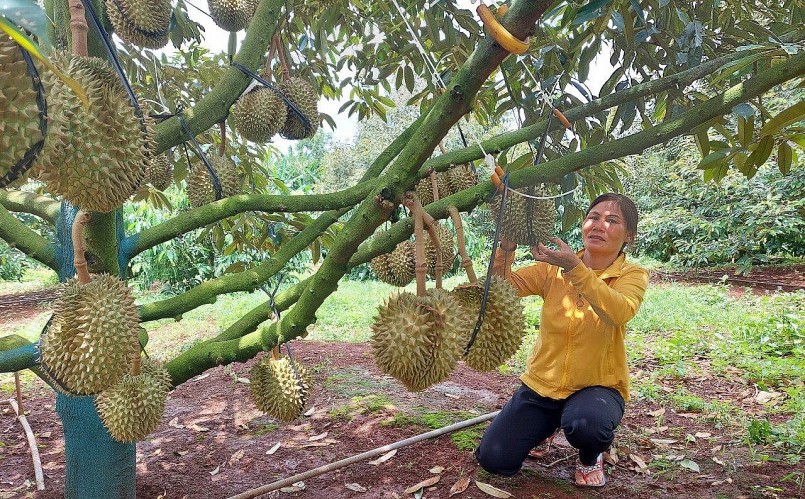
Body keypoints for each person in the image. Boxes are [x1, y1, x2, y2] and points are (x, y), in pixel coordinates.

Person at [474, 193, 649, 488]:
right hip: (543, 384)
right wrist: (505, 248)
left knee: (586, 426)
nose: (599, 225)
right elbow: (499, 287)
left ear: (628, 236)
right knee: (494, 459)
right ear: (583, 224)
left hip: (598, 387)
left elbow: (618, 312)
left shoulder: (633, 275)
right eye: (593, 217)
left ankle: (590, 456)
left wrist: (575, 269)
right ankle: (545, 426)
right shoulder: (551, 269)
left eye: (612, 221)